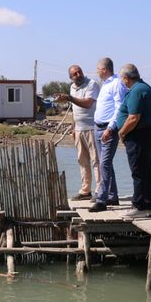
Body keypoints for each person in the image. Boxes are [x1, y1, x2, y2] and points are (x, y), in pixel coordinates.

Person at [115, 63, 151, 221]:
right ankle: (147, 206)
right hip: (145, 133)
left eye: (122, 79)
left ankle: (139, 206)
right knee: (146, 170)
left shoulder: (137, 90)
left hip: (139, 135)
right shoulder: (142, 87)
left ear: (126, 78)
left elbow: (133, 117)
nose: (122, 81)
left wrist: (122, 132)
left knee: (139, 171)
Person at [56, 65, 100, 201]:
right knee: (82, 160)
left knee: (96, 160)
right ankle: (86, 191)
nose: (78, 75)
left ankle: (100, 190)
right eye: (75, 74)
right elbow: (74, 109)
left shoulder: (92, 84)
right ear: (71, 77)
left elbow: (88, 103)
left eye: (79, 72)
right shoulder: (72, 87)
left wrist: (69, 98)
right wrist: (73, 127)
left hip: (92, 127)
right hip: (79, 129)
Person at [89, 57, 128, 212]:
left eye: (98, 69)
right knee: (105, 163)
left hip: (108, 129)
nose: (97, 71)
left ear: (104, 70)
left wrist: (110, 128)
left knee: (104, 163)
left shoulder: (117, 84)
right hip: (98, 127)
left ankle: (101, 200)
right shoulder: (105, 84)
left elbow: (119, 108)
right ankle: (113, 196)